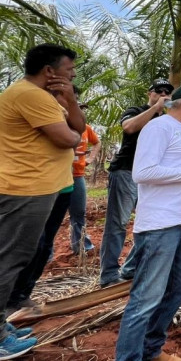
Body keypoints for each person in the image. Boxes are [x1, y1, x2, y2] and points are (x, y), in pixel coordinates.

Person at [114, 83, 181, 361]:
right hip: (161, 226)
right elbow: (144, 172)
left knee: (177, 288)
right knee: (146, 298)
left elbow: (176, 175)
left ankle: (150, 350)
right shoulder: (158, 127)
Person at [0, 43, 84, 358]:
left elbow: (78, 127)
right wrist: (74, 139)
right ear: (49, 71)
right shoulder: (31, 95)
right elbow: (68, 137)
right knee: (9, 259)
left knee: (17, 256)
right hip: (25, 189)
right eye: (69, 70)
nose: (73, 75)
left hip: (39, 188)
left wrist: (70, 101)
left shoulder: (46, 97)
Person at [100, 78, 173, 287]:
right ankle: (109, 275)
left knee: (152, 222)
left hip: (150, 177)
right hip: (126, 171)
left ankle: (131, 268)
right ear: (149, 93)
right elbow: (129, 127)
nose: (163, 94)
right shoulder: (136, 110)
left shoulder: (168, 121)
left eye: (167, 92)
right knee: (118, 223)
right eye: (158, 91)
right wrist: (156, 109)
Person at [70, 96, 100, 254]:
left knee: (79, 213)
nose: (81, 112)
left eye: (82, 109)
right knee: (51, 216)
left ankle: (81, 246)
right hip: (59, 177)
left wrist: (91, 158)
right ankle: (46, 254)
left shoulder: (86, 129)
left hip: (77, 175)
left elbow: (97, 142)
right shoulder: (61, 127)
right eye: (77, 109)